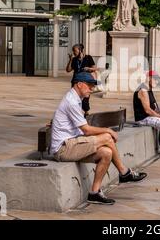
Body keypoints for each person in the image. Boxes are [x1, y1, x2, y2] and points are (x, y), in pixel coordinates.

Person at [50, 72, 147, 205]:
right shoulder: (71, 101)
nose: (92, 89)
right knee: (107, 137)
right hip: (63, 149)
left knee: (107, 153)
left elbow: (82, 129)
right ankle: (124, 172)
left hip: (73, 144)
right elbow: (86, 130)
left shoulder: (76, 99)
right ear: (79, 84)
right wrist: (107, 130)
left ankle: (94, 193)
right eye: (89, 85)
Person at [66, 44, 97, 117]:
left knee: (85, 97)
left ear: (80, 50)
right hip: (76, 81)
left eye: (75, 51)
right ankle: (77, 113)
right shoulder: (74, 59)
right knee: (75, 97)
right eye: (73, 51)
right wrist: (70, 60)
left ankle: (86, 112)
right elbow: (68, 70)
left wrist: (88, 69)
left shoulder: (88, 58)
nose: (73, 53)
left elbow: (94, 69)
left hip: (86, 81)